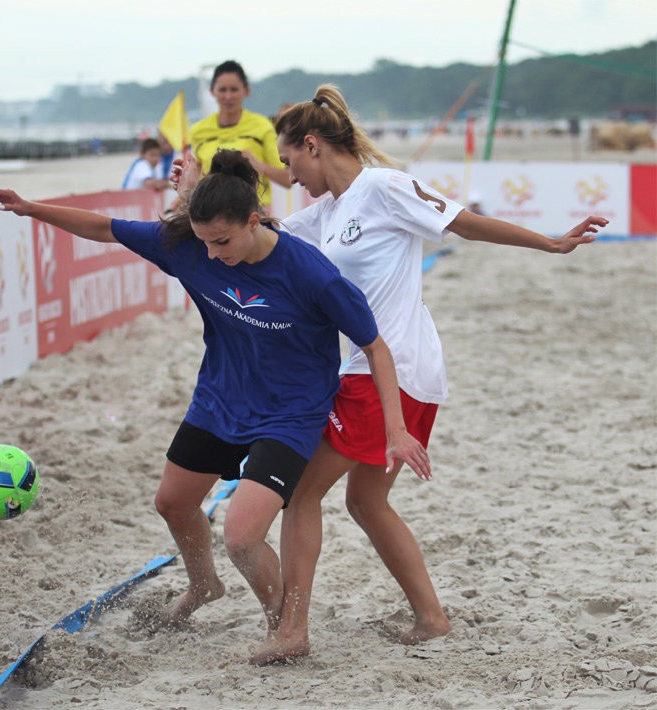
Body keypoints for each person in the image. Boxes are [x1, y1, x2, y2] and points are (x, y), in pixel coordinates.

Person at [0, 149, 430, 646]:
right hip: (220, 400)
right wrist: (30, 207)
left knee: (241, 537)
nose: (213, 255)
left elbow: (375, 347)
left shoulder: (311, 274)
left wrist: (395, 429)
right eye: (204, 242)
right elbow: (105, 228)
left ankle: (282, 626)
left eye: (222, 242)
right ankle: (203, 585)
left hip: (290, 414)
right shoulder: (188, 245)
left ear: (253, 221)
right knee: (172, 503)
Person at [248, 83, 607, 664]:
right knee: (366, 503)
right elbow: (261, 237)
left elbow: (465, 222)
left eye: (290, 161)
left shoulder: (384, 188)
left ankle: (292, 630)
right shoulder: (327, 211)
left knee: (302, 492)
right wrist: (193, 199)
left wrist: (549, 243)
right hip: (380, 370)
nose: (289, 176)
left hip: (395, 369)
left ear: (313, 145)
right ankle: (432, 618)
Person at [189, 60, 289, 208]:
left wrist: (256, 164)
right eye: (222, 90)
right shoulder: (198, 130)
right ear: (212, 91)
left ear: (246, 91)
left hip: (253, 212)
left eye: (234, 89)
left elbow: (287, 179)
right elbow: (195, 177)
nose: (228, 96)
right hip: (211, 212)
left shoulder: (262, 126)